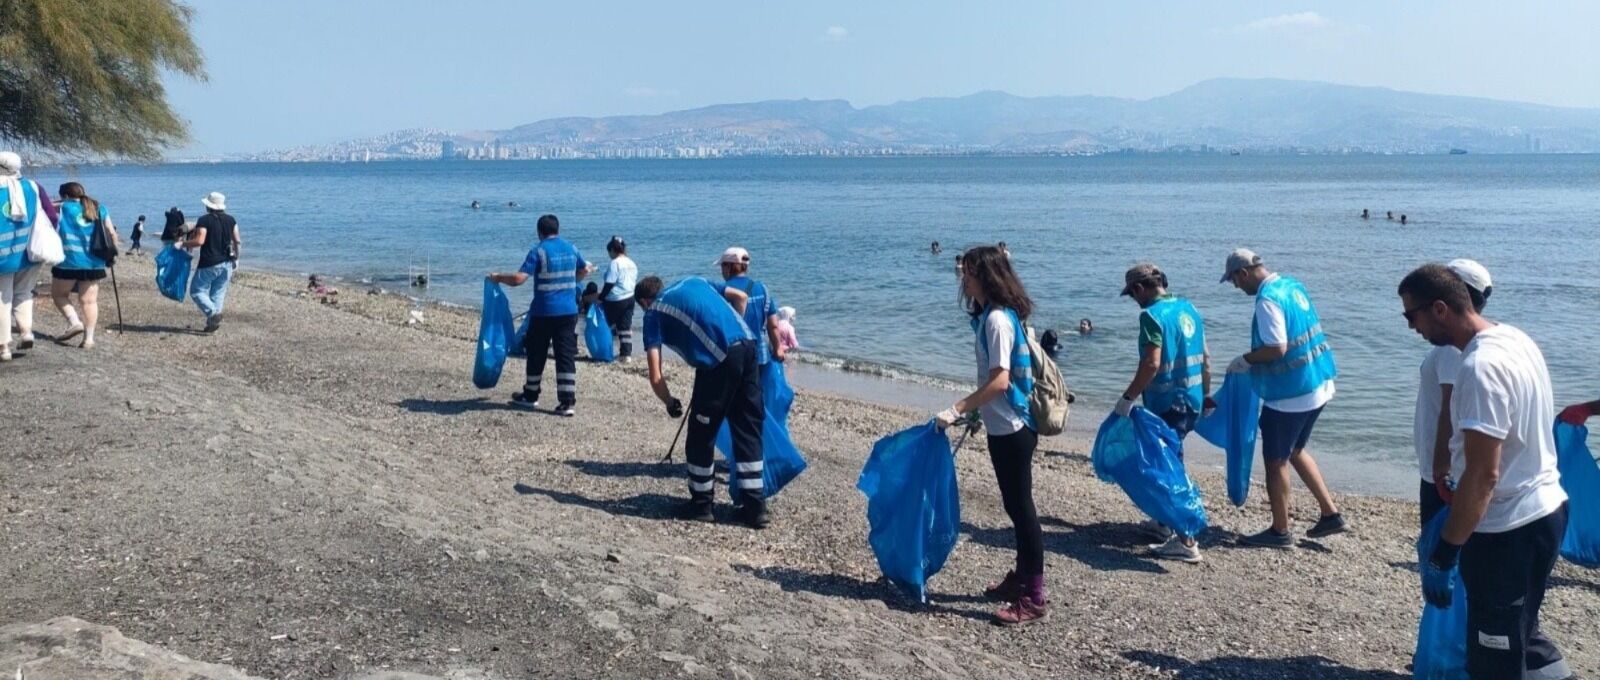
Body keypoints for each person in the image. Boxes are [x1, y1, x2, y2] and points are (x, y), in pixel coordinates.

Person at [1398, 263, 1572, 680]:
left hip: (1508, 527)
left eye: (1411, 315)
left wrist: (1445, 549)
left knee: (1494, 653)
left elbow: (1484, 474)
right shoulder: (1515, 338)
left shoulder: (1479, 368)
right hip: (1547, 508)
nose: (1410, 327)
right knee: (1522, 632)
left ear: (1439, 309)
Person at [935, 245, 1046, 625]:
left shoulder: (998, 320)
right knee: (1015, 508)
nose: (962, 278)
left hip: (1014, 428)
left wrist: (958, 409)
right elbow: (995, 378)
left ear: (985, 276)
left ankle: (1034, 596)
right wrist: (979, 415)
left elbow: (1000, 381)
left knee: (1023, 510)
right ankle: (1022, 578)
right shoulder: (989, 318)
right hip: (1005, 425)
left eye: (967, 272)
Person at [1220, 248, 1346, 547]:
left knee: (1275, 460)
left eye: (1234, 281)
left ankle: (1280, 531)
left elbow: (1276, 348)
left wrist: (1245, 360)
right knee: (1296, 449)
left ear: (1243, 273)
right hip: (1320, 383)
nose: (1237, 288)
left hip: (1291, 394)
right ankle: (1331, 514)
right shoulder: (1291, 284)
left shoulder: (1267, 300)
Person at [634, 275, 768, 528]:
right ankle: (755, 506)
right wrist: (730, 334)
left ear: (644, 301)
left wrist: (669, 401)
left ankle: (701, 504)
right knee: (747, 427)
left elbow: (655, 375)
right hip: (747, 344)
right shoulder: (695, 280)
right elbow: (741, 297)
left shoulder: (653, 313)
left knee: (701, 434)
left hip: (720, 358)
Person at [1114, 263, 1213, 563]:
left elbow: (1151, 364)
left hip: (1168, 403)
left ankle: (1186, 540)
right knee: (1173, 458)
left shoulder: (1151, 317)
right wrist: (1206, 395)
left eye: (1132, 295)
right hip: (1192, 399)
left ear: (1140, 289)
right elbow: (1206, 359)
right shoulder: (1188, 308)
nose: (1134, 301)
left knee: (1168, 468)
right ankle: (1162, 522)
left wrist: (1127, 398)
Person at [1412, 259, 1492, 528]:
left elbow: (1449, 407)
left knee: (1438, 545)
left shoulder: (1450, 347)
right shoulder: (1477, 338)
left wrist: (1440, 469)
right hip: (1447, 465)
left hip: (1443, 469)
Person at [488, 214, 590, 416]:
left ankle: (531, 395)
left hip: (544, 311)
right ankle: (567, 402)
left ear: (539, 232)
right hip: (569, 311)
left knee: (536, 352)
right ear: (558, 230)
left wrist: (497, 277)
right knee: (565, 355)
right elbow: (583, 270)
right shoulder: (572, 248)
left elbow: (519, 279)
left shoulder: (539, 251)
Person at [50, 182, 115, 349]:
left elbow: (44, 209)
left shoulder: (61, 208)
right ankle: (89, 339)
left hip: (68, 260)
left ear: (64, 195)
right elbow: (111, 232)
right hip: (94, 262)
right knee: (89, 302)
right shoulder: (99, 208)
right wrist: (111, 255)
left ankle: (74, 321)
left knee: (59, 295)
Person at [0, 151, 50, 362]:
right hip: (28, 252)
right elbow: (50, 215)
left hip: (3, 256)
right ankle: (26, 331)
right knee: (23, 293)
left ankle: (4, 346)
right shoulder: (32, 186)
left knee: (3, 298)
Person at [714, 247, 786, 371]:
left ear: (728, 267)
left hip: (733, 356)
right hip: (760, 356)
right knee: (757, 390)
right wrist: (778, 348)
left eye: (722, 266)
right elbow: (773, 325)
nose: (722, 271)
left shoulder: (722, 292)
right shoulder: (762, 289)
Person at [183, 192, 241, 334]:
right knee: (218, 293)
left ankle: (213, 314)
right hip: (227, 262)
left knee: (197, 291)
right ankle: (212, 324)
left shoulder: (204, 220)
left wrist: (182, 244)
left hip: (210, 262)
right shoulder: (231, 220)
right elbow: (237, 241)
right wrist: (237, 258)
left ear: (208, 206)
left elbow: (199, 241)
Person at [589, 236, 638, 361]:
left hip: (615, 299)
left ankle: (606, 351)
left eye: (609, 252)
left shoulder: (614, 263)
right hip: (630, 298)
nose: (609, 255)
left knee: (607, 325)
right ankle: (626, 354)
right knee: (625, 327)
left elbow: (609, 283)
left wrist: (601, 297)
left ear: (612, 250)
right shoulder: (631, 263)